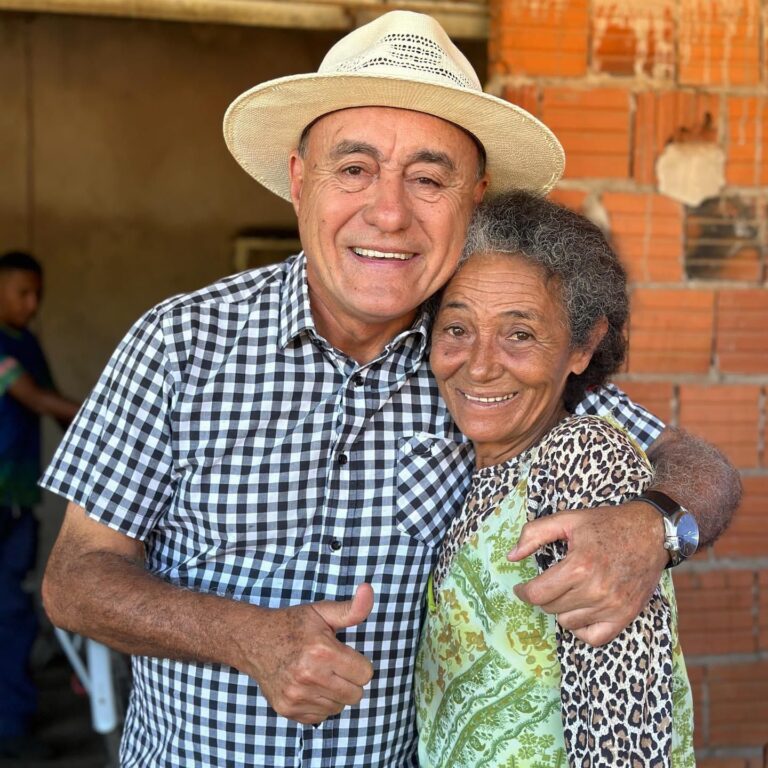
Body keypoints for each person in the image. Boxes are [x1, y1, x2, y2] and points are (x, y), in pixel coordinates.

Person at [39, 11, 738, 767]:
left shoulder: (483, 360)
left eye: (429, 178)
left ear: (476, 197)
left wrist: (653, 528)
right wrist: (245, 637)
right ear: (302, 180)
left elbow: (702, 468)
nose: (390, 212)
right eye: (354, 169)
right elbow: (75, 579)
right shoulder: (180, 343)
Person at [415, 192, 694, 767]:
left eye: (520, 334)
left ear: (583, 346)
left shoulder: (583, 460)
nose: (481, 364)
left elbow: (625, 734)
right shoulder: (476, 467)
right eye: (457, 328)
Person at [0, 250, 80, 759]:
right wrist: (107, 415)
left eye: (38, 295)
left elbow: (52, 403)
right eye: (23, 293)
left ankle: (15, 717)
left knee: (14, 609)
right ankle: (9, 729)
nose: (33, 304)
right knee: (8, 610)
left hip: (18, 500)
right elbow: (36, 399)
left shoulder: (26, 343)